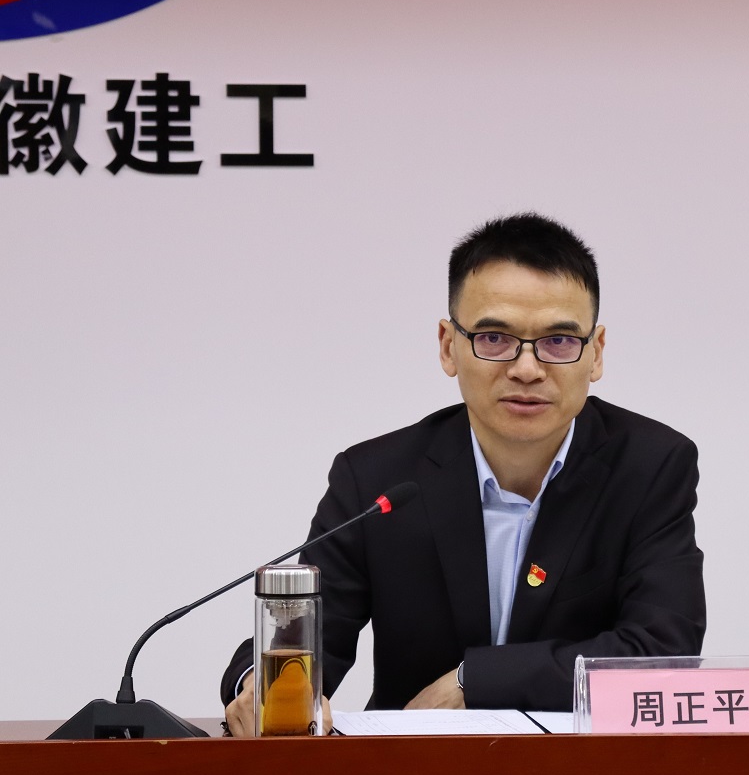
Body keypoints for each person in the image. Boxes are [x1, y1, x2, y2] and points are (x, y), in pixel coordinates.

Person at [221, 212, 705, 734]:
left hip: (582, 772)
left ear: (596, 353)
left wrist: (477, 680)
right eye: (494, 338)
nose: (526, 369)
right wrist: (260, 686)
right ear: (448, 345)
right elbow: (309, 638)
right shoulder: (376, 478)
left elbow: (661, 650)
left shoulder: (650, 466)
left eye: (559, 342)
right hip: (415, 772)